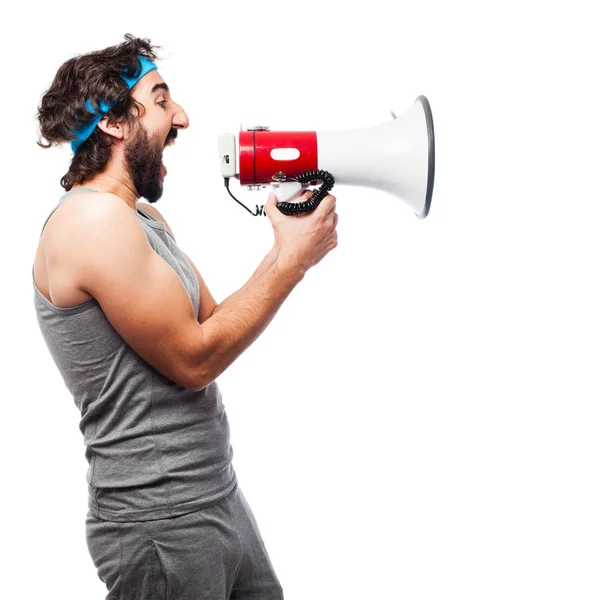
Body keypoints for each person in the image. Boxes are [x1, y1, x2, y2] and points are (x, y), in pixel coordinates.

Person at [32, 34, 338, 600]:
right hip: (160, 521)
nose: (183, 118)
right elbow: (194, 361)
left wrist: (287, 243)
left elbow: (212, 326)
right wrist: (291, 263)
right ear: (116, 124)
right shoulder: (91, 224)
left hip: (211, 495)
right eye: (162, 99)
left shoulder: (141, 218)